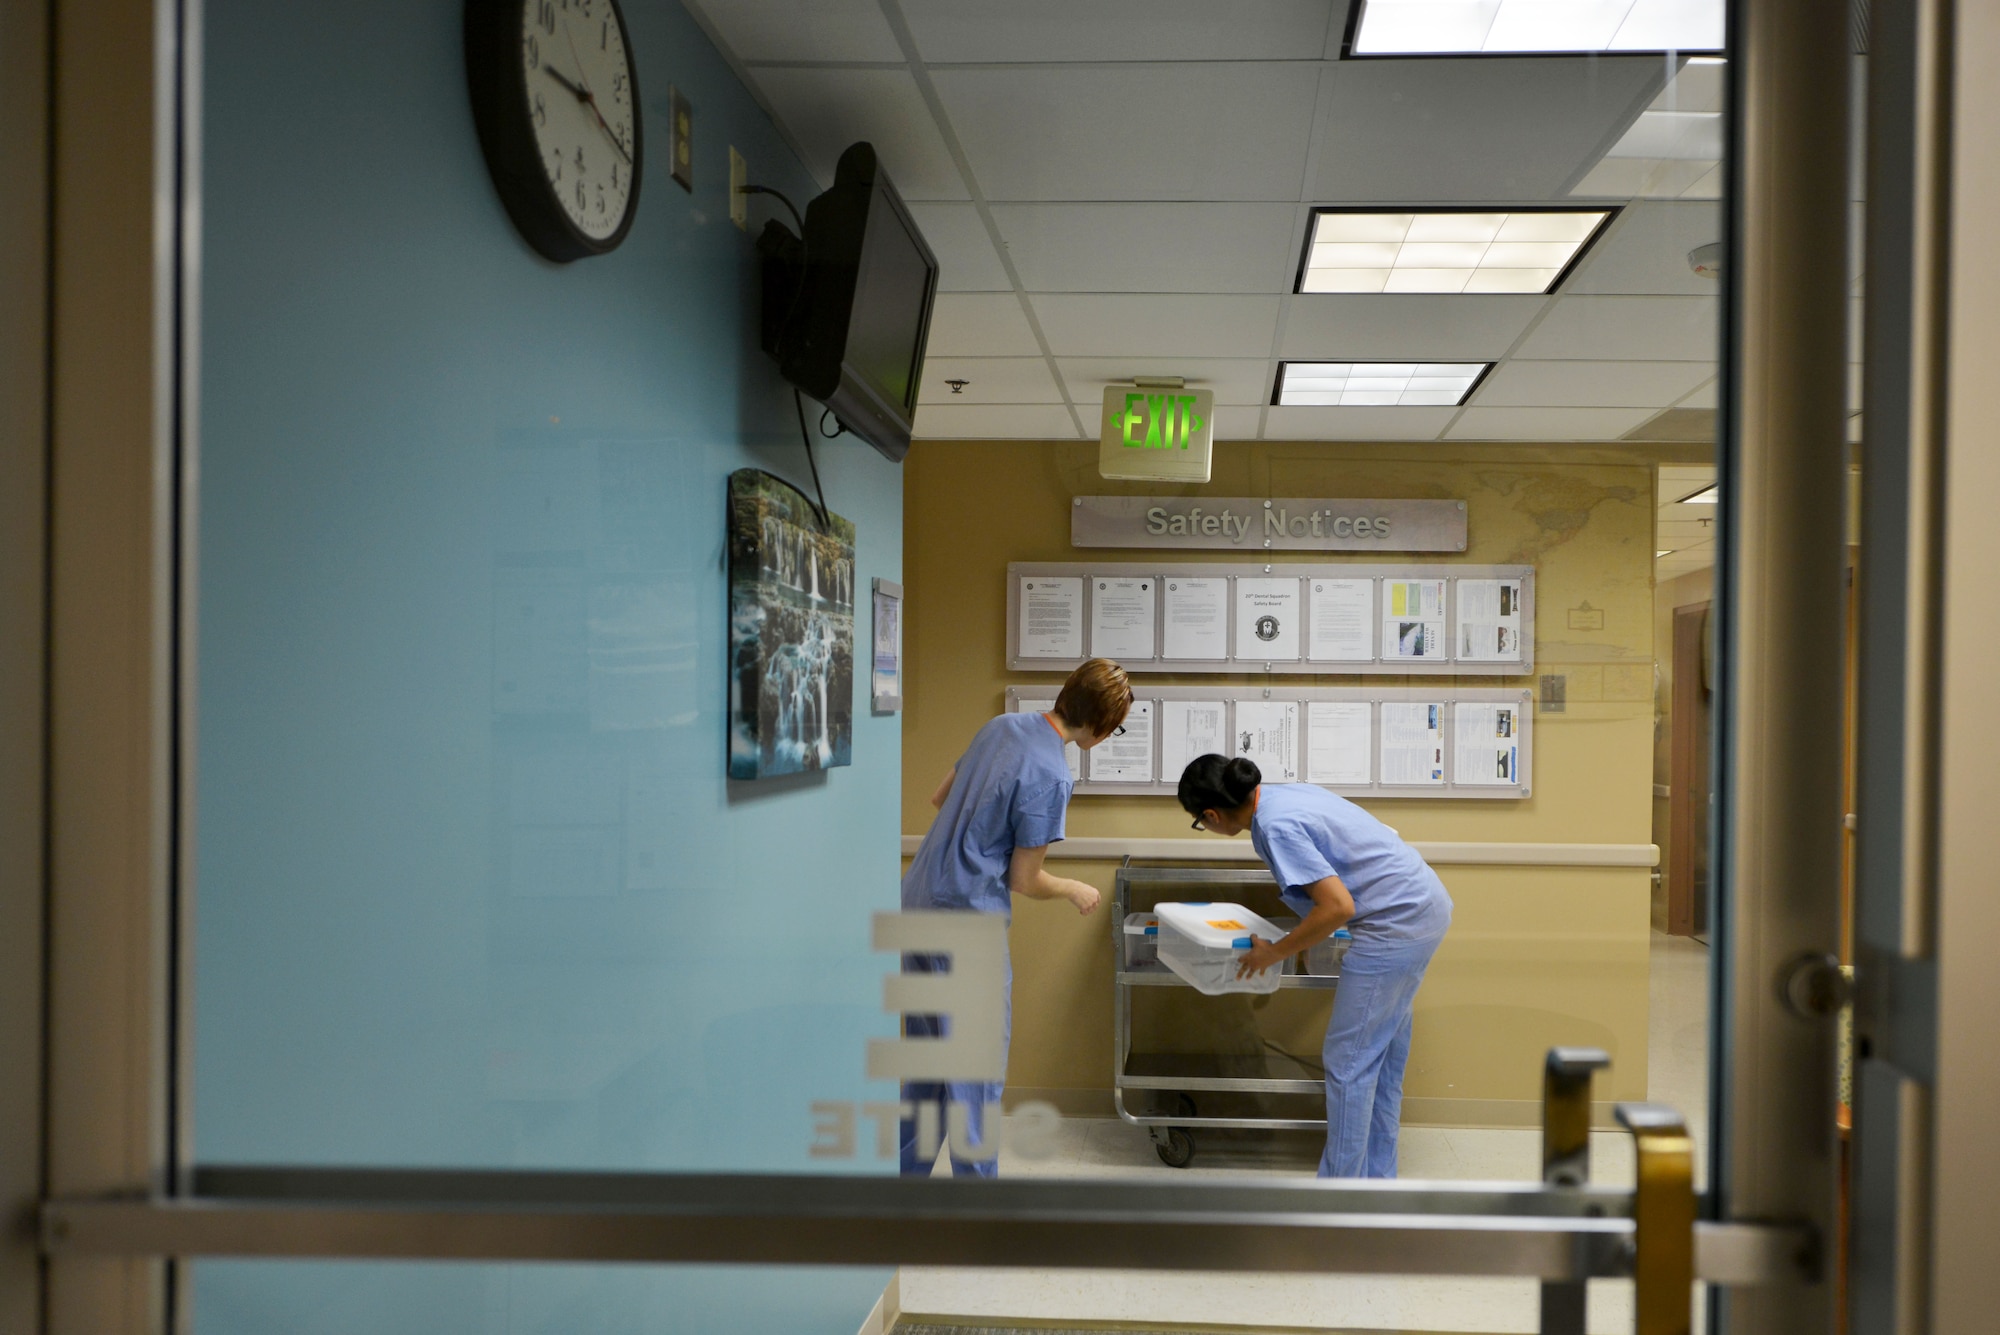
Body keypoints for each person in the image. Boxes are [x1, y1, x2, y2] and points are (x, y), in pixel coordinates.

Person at [898, 658, 1133, 1177]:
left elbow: (940, 797)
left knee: (926, 1058)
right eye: (1115, 727)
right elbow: (1025, 880)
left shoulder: (1000, 727)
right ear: (1098, 724)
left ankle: (900, 1190)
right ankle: (977, 1211)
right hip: (964, 922)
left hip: (916, 901)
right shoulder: (1051, 774)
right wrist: (1073, 888)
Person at [1177, 755, 1452, 1179]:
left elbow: (1338, 906)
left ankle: (1337, 1199)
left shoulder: (1275, 826)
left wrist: (1275, 952)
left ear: (1211, 815)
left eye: (1200, 821)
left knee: (1348, 1064)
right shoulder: (1283, 796)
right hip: (1421, 906)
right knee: (1379, 1060)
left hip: (1394, 926)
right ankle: (1377, 1182)